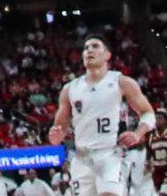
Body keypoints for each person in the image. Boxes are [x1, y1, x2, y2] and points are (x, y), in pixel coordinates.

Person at [47, 35, 156, 196]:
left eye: (95, 46)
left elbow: (148, 113)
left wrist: (138, 133)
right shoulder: (70, 89)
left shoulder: (121, 82)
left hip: (110, 154)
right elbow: (59, 127)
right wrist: (56, 135)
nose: (89, 50)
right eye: (86, 48)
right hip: (82, 157)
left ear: (107, 55)